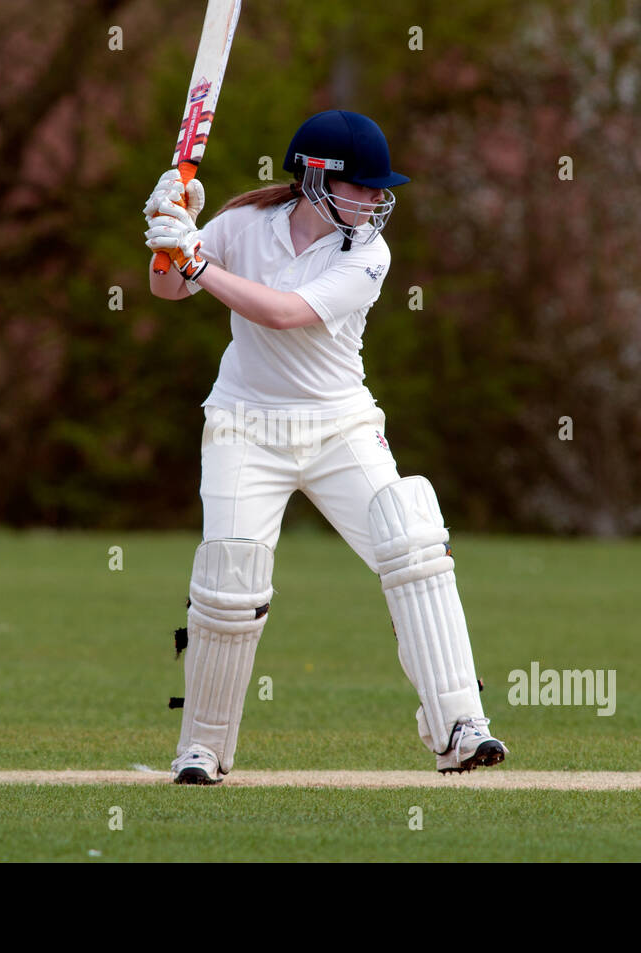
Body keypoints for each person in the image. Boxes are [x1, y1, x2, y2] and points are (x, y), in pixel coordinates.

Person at [143, 109, 506, 784]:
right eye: (363, 187)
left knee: (413, 540)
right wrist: (170, 238)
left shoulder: (369, 251)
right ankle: (202, 747)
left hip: (339, 424)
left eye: (378, 189)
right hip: (244, 424)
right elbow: (166, 289)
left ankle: (459, 724)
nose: (375, 200)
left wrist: (196, 260)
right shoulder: (242, 227)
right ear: (315, 178)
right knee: (229, 578)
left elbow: (284, 313)